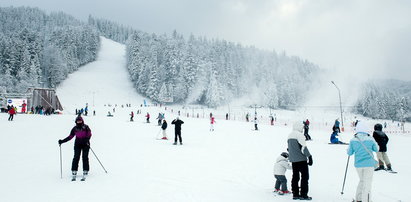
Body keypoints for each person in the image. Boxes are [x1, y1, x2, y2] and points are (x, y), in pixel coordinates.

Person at [347, 120, 379, 202]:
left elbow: (349, 152)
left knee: (362, 181)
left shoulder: (353, 140)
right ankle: (366, 200)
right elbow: (376, 149)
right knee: (367, 183)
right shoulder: (370, 139)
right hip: (369, 165)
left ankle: (359, 198)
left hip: (358, 165)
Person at [58, 116, 92, 181]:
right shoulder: (75, 129)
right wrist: (62, 141)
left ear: (82, 121)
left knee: (85, 157)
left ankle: (85, 170)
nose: (79, 122)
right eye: (78, 121)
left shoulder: (86, 127)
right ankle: (74, 170)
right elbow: (70, 136)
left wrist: (87, 139)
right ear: (76, 122)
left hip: (86, 144)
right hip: (77, 144)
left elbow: (89, 134)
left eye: (80, 121)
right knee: (76, 157)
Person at [287, 121, 313, 200]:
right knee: (305, 177)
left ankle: (295, 194)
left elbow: (289, 149)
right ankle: (303, 194)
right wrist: (310, 156)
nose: (302, 128)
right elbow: (303, 148)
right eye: (301, 127)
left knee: (295, 177)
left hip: (293, 161)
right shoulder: (299, 135)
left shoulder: (289, 135)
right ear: (298, 127)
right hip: (301, 160)